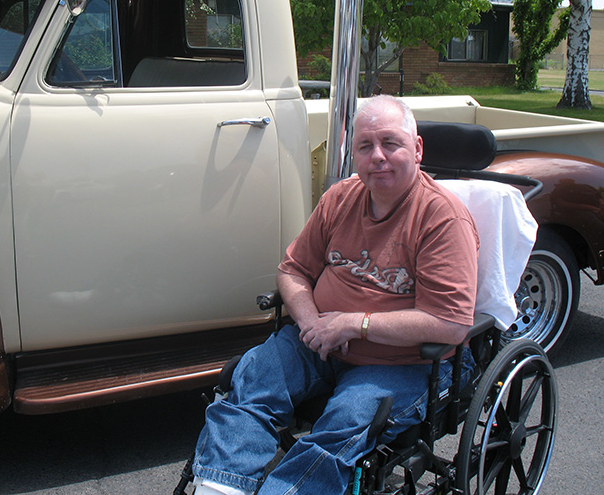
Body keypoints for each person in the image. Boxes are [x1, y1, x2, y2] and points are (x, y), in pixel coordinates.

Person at [191, 95, 479, 495]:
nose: (377, 156)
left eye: (390, 143)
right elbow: (292, 270)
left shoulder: (442, 219)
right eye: (365, 146)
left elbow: (449, 323)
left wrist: (354, 325)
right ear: (353, 154)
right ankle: (221, 487)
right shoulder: (341, 198)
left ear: (417, 149)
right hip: (320, 342)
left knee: (346, 420)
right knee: (254, 377)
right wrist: (311, 323)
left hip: (402, 363)